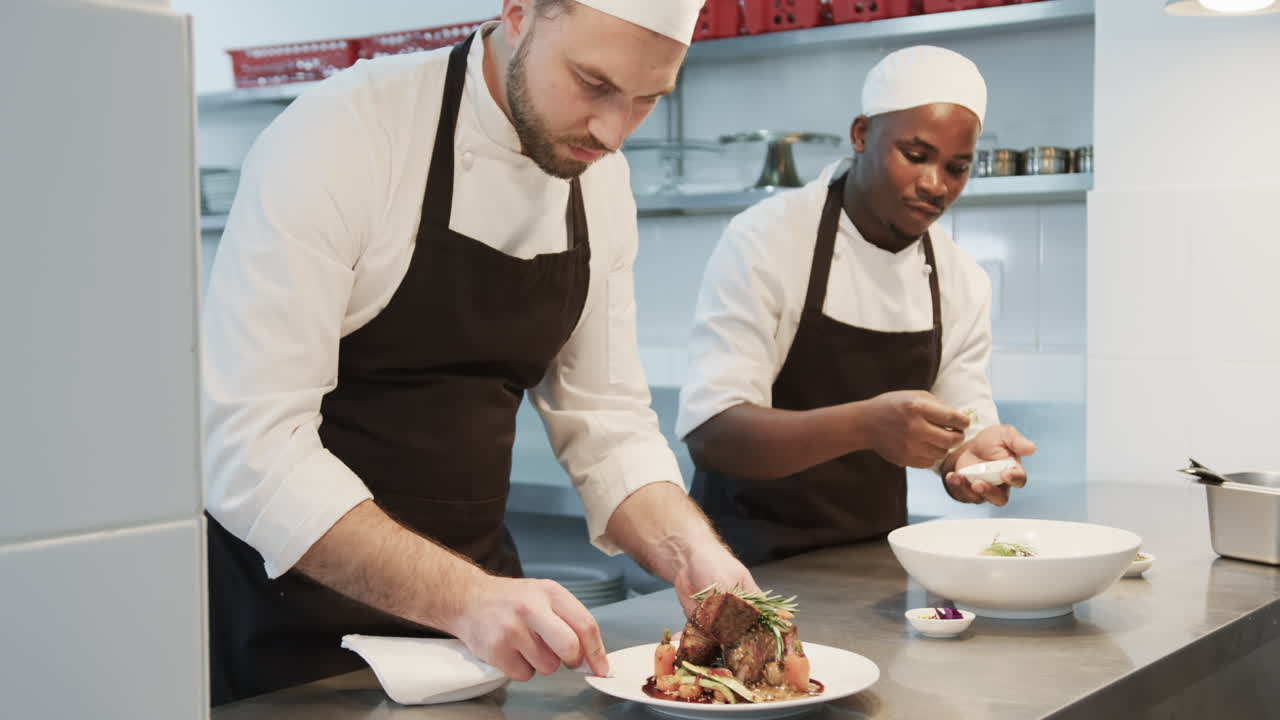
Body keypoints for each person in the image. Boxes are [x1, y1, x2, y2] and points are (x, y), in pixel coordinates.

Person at [201, 0, 755, 704]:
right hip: (292, 641)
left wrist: (695, 555)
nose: (614, 132)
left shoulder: (599, 179)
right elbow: (251, 451)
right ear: (519, 13)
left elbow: (606, 423)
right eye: (594, 83)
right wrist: (465, 596)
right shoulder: (345, 134)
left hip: (474, 644)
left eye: (648, 99)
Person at [678, 46, 1038, 567]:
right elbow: (714, 435)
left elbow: (962, 426)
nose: (935, 184)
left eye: (957, 167)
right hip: (739, 565)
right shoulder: (769, 239)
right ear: (862, 135)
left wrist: (973, 461)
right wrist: (866, 425)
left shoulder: (961, 281)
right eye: (915, 155)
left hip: (872, 566)